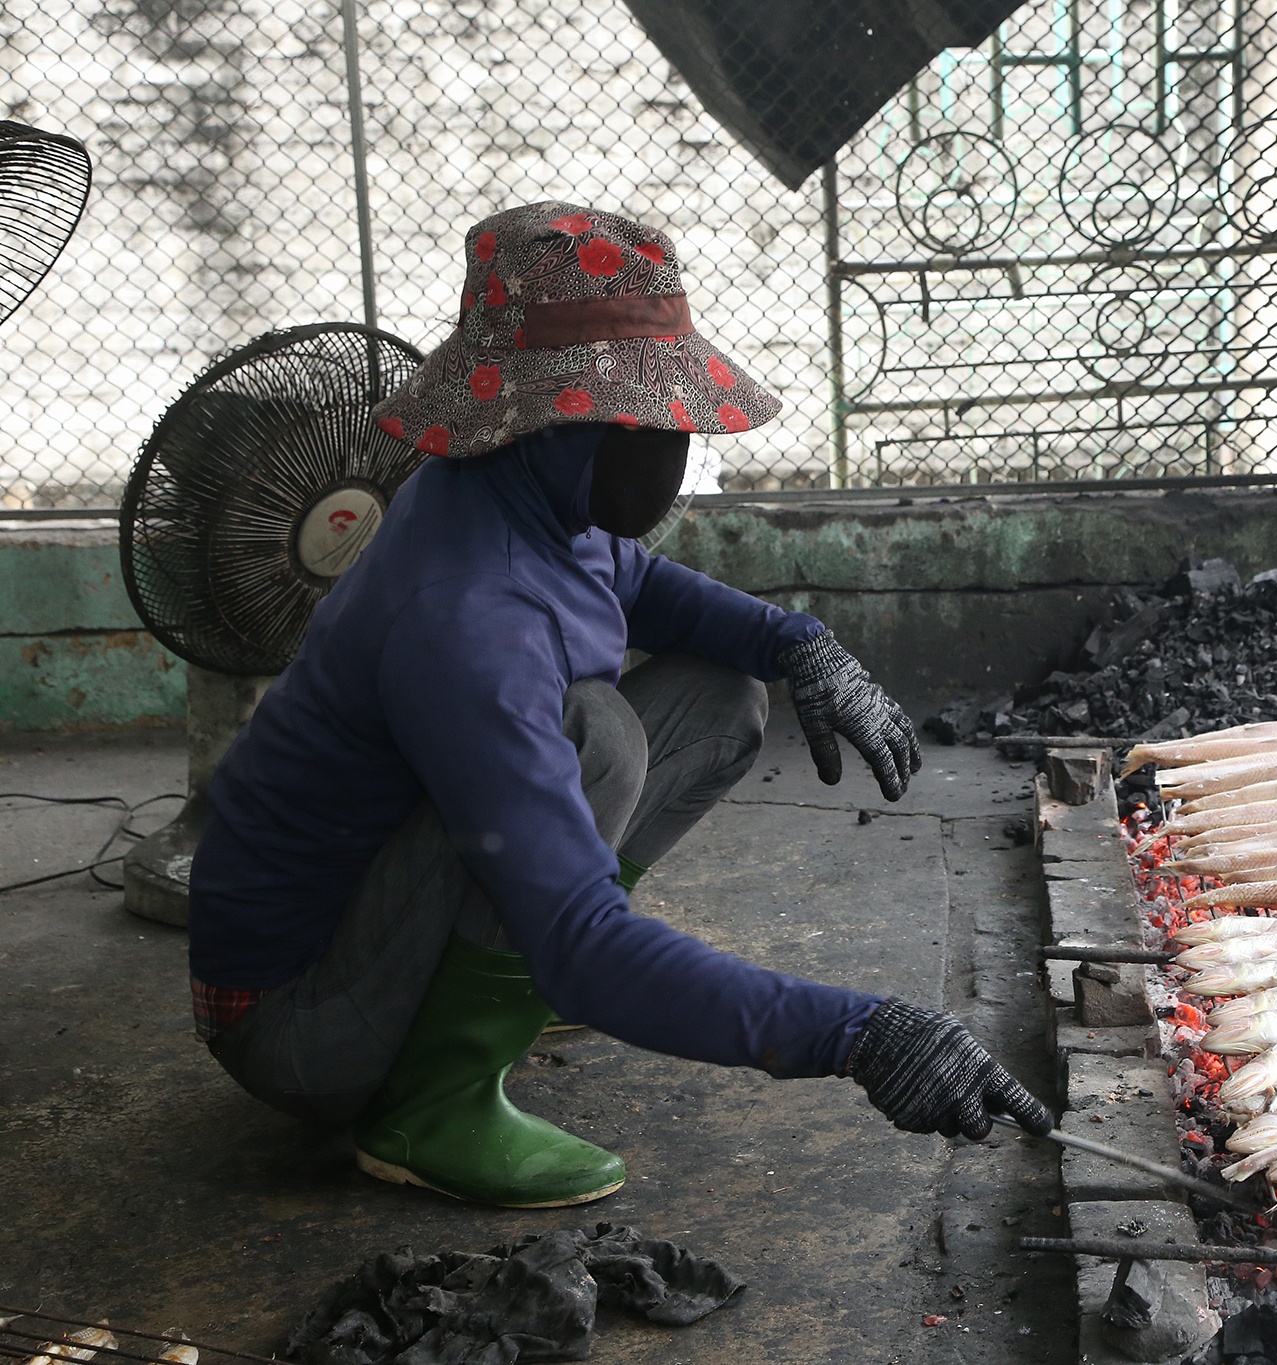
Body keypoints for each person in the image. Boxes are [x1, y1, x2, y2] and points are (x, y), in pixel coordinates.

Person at [186, 201, 1052, 1209]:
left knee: (719, 694)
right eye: (647, 419)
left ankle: (505, 984)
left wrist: (797, 643)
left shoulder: (512, 487)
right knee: (594, 736)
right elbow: (585, 940)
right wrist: (859, 1033)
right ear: (550, 422)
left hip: (370, 930)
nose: (672, 442)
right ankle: (427, 1105)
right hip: (299, 1025)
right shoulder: (470, 619)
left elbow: (631, 582)